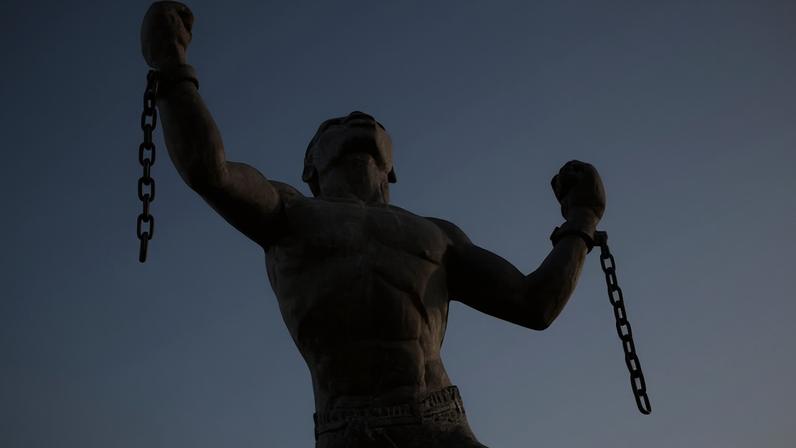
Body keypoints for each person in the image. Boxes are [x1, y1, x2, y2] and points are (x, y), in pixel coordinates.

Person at [141, 2, 606, 447]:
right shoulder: (289, 212)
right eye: (334, 124)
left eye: (372, 121)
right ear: (310, 167)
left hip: (441, 422)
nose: (358, 118)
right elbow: (209, 171)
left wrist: (583, 218)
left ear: (393, 168)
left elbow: (534, 304)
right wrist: (172, 66)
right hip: (350, 426)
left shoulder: (438, 235)